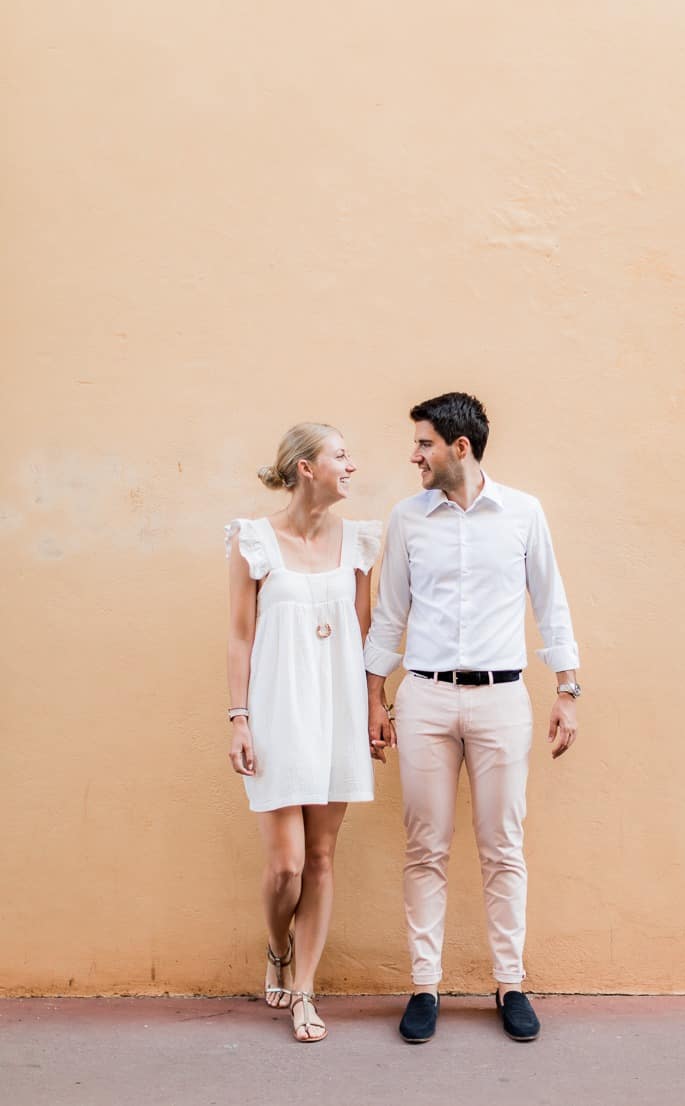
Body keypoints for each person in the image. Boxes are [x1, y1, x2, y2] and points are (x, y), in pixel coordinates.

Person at [363, 392, 581, 1045]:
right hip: (425, 698)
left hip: (501, 699)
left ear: (460, 447)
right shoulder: (408, 518)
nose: (414, 455)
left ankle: (510, 983)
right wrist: (375, 696)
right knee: (424, 847)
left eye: (424, 443)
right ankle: (424, 986)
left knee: (503, 847)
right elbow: (389, 613)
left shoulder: (523, 513)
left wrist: (568, 689)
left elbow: (552, 601)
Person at [225, 423, 383, 1043]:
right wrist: (237, 718)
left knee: (321, 856)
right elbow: (240, 636)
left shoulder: (361, 542)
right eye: (341, 455)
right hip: (276, 710)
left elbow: (367, 637)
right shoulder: (253, 541)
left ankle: (305, 992)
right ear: (304, 467)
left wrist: (378, 709)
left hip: (338, 710)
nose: (352, 465)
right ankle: (276, 945)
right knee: (286, 865)